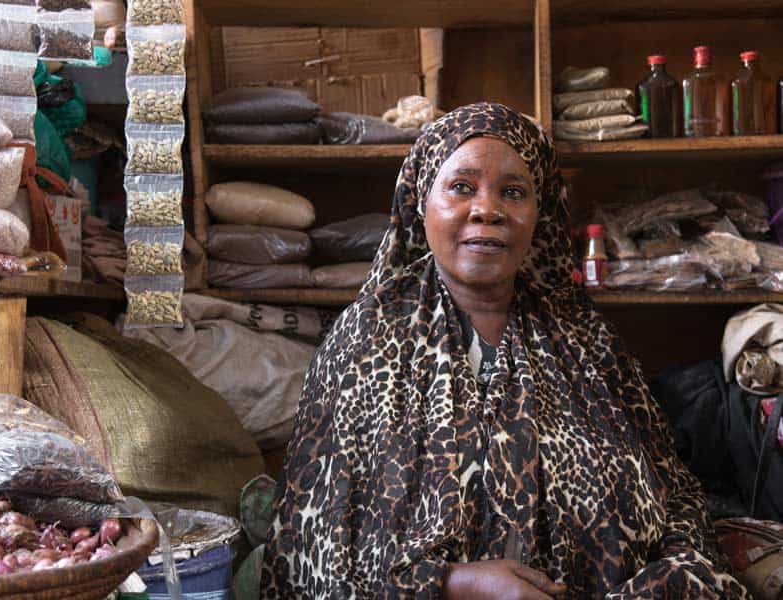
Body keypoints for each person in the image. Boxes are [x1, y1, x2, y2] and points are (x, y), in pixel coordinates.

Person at [260, 103, 749, 599]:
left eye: (513, 192)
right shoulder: (364, 342)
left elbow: (674, 496)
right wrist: (451, 583)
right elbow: (309, 546)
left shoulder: (586, 339)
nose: (487, 209)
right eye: (461, 187)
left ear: (540, 213)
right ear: (420, 203)